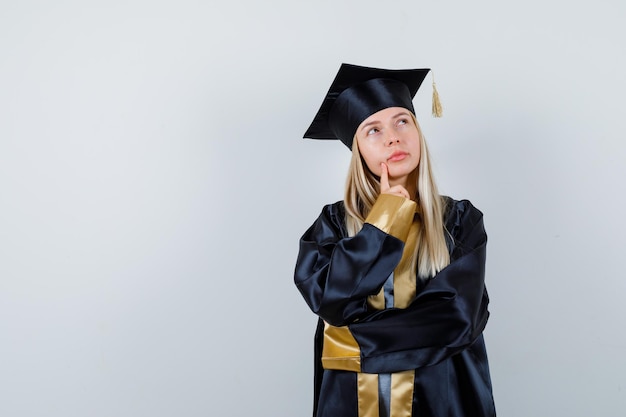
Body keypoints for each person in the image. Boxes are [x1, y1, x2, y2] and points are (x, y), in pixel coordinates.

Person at [294, 63, 496, 417]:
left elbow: (455, 319)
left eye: (402, 121)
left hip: (442, 402)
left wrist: (349, 342)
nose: (393, 137)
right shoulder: (332, 225)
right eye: (373, 129)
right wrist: (386, 219)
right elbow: (331, 300)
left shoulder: (460, 221)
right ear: (358, 151)